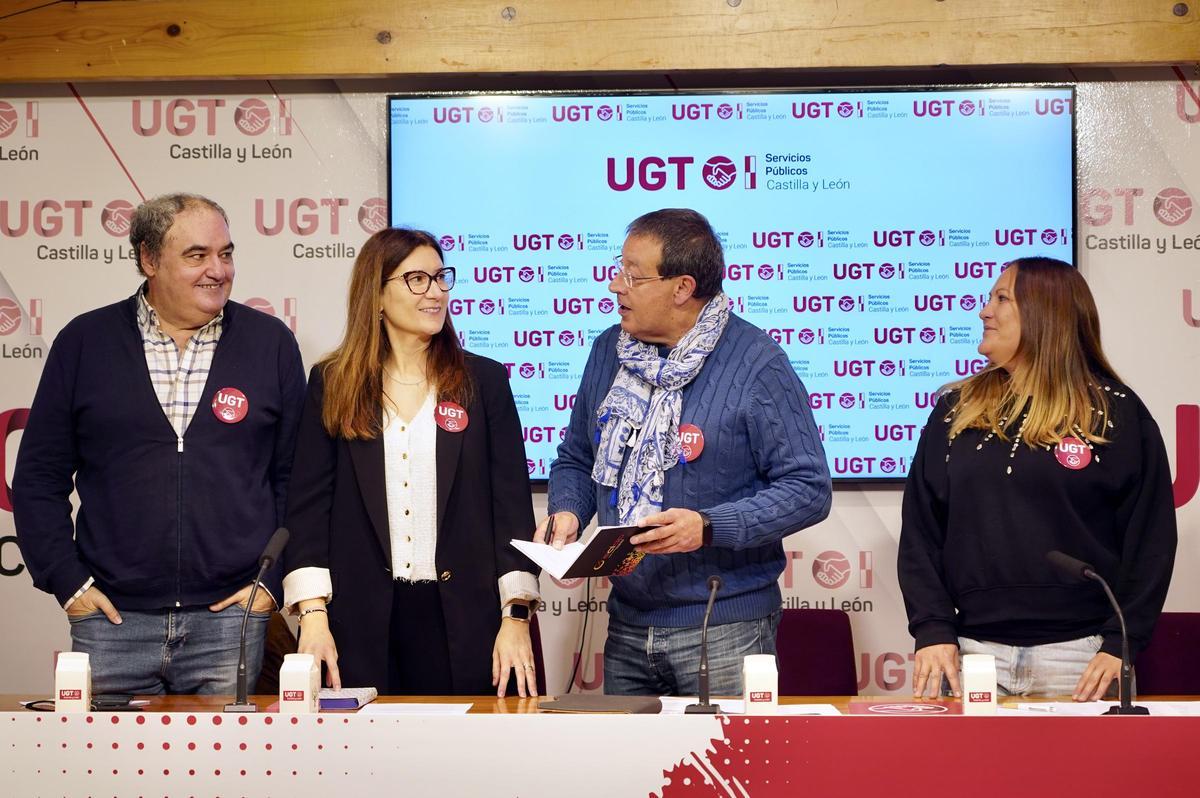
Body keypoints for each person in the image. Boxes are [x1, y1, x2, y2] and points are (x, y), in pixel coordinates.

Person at [14, 192, 306, 695]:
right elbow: (39, 477)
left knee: (228, 772)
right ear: (148, 259)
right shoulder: (84, 343)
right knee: (104, 773)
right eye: (197, 256)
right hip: (111, 622)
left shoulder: (269, 343)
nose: (218, 270)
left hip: (230, 622)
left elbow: (296, 480)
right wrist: (68, 583)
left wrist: (271, 585)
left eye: (226, 253)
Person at [539, 208, 832, 696]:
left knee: (727, 772)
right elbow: (576, 456)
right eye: (619, 268)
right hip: (627, 623)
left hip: (723, 629)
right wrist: (568, 510)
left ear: (681, 287)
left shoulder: (758, 364)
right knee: (631, 773)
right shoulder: (608, 351)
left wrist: (708, 526)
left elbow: (808, 489)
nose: (616, 286)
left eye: (633, 275)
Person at [899, 256, 1177, 701]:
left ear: (1045, 312)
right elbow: (920, 532)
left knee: (1086, 776)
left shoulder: (1116, 412)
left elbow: (1151, 540)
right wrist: (932, 628)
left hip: (1083, 660)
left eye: (1001, 298)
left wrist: (1120, 644)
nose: (983, 311)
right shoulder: (954, 412)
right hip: (971, 655)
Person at [282, 228, 541, 697]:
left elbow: (512, 512)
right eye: (417, 279)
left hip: (467, 621)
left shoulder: (483, 382)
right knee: (364, 766)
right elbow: (307, 510)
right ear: (376, 295)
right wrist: (313, 617)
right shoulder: (333, 381)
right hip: (358, 626)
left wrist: (516, 617)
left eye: (442, 278)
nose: (436, 291)